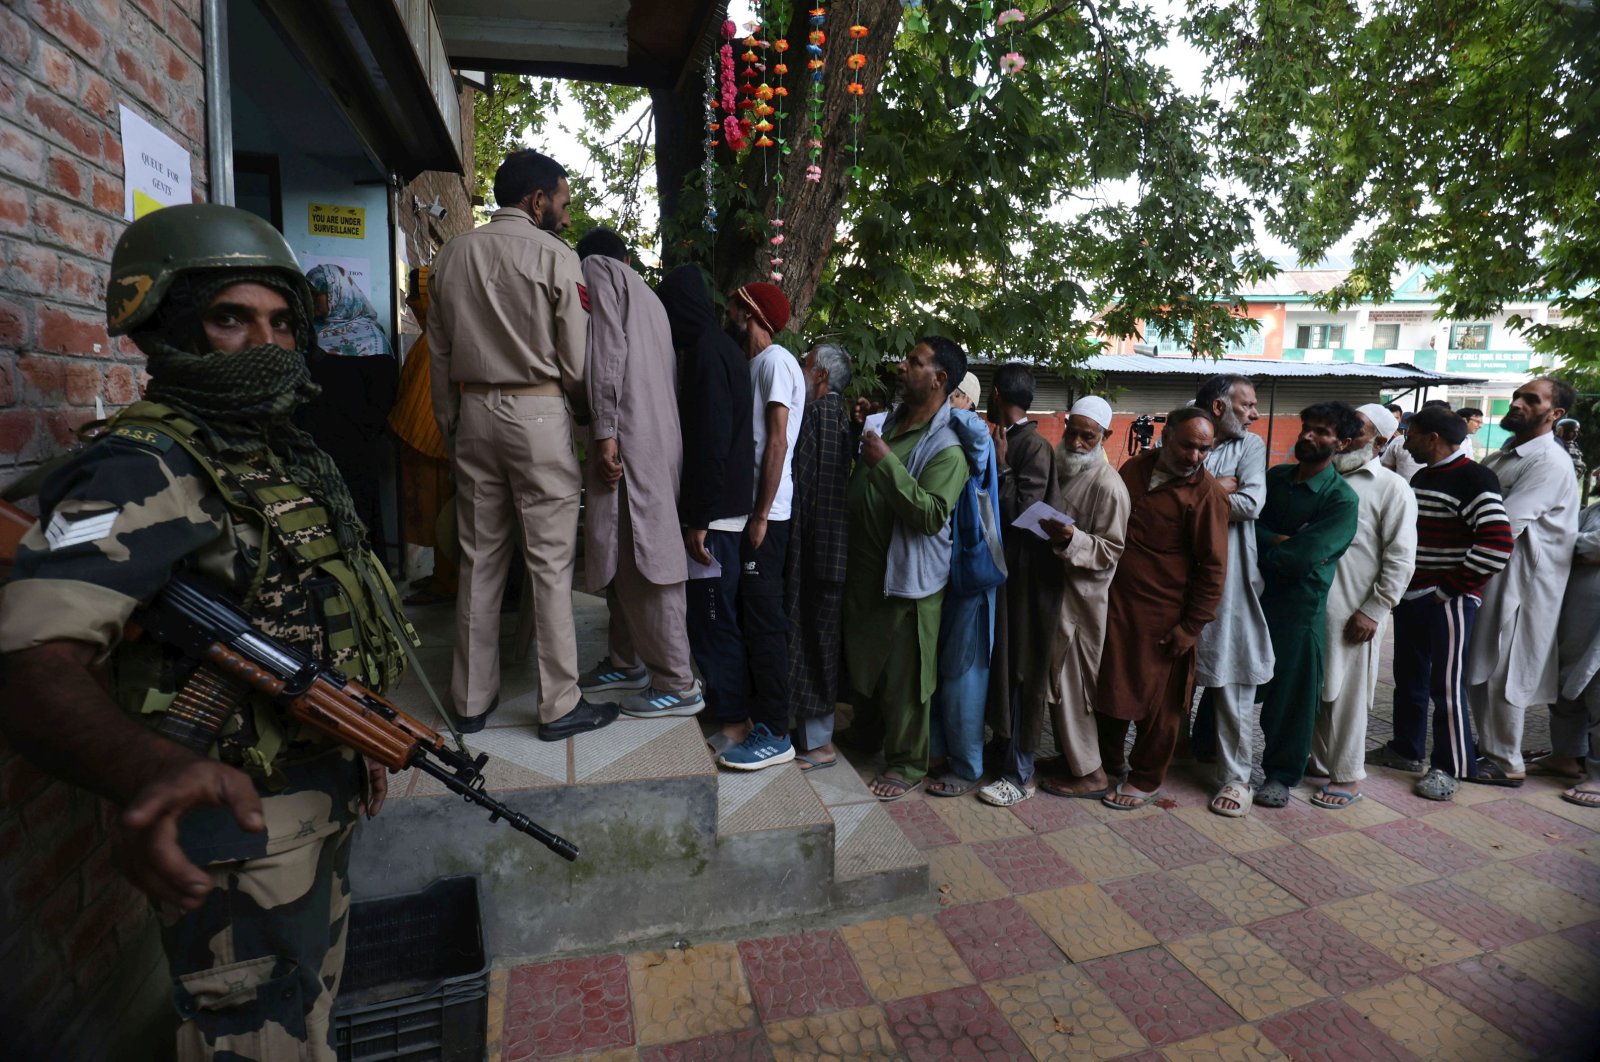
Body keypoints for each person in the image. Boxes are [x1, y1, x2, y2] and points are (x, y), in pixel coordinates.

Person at [0, 204, 412, 1058]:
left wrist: (362, 728)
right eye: (231, 318)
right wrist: (150, 768)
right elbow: (34, 661)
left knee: (307, 1018)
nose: (264, 343)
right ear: (170, 325)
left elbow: (324, 613)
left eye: (280, 321)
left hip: (314, 797)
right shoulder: (145, 467)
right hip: (237, 833)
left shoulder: (279, 459)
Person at [428, 149, 613, 739]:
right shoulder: (557, 257)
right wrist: (587, 419)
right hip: (537, 413)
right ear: (536, 200)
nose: (564, 213)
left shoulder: (452, 254)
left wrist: (450, 420)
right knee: (551, 564)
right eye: (561, 201)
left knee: (480, 559)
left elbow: (436, 353)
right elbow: (578, 362)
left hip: (474, 411)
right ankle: (558, 704)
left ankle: (470, 702)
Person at [572, 229, 699, 718]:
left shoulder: (600, 272)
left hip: (627, 440)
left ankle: (677, 683)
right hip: (657, 439)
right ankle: (627, 662)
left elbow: (607, 353)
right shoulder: (649, 295)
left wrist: (603, 430)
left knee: (646, 558)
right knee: (628, 553)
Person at [840, 337, 969, 801]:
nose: (901, 366)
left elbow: (932, 514)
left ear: (938, 380)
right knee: (867, 664)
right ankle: (866, 733)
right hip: (868, 573)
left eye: (913, 362)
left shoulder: (948, 449)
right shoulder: (892, 423)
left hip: (909, 582)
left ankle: (907, 763)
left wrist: (886, 465)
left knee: (905, 677)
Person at [1367, 405, 1512, 799]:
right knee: (1409, 679)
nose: (1405, 440)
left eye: (1410, 434)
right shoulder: (1426, 476)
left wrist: (1450, 590)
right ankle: (1405, 749)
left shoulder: (1474, 477)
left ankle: (1450, 766)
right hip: (1414, 596)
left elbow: (1498, 542)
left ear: (1433, 438)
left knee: (1446, 686)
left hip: (1446, 600)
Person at [1095, 408, 1229, 809]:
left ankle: (1147, 777)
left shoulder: (1207, 494)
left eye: (1204, 449)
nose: (1194, 456)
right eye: (1187, 445)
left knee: (1161, 705)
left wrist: (1191, 627)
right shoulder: (1136, 468)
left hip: (1166, 616)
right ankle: (1108, 761)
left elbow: (1214, 569)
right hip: (1118, 607)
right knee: (1112, 689)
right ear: (1166, 435)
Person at [657, 266, 756, 749]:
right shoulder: (721, 349)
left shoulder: (704, 354)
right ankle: (726, 707)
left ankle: (735, 718)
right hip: (722, 512)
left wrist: (698, 519)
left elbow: (712, 444)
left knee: (714, 620)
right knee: (714, 618)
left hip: (715, 519)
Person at [708, 283, 806, 770]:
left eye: (734, 306)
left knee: (766, 623)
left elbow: (777, 441)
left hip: (766, 518)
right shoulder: (755, 365)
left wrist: (762, 514)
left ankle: (776, 732)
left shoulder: (774, 363)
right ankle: (749, 721)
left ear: (752, 315)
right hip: (749, 515)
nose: (727, 312)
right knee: (750, 619)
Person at [1466, 377, 1581, 785]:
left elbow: (1504, 523)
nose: (1516, 403)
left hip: (1525, 583)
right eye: (1517, 396)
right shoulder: (1503, 456)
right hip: (1492, 574)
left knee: (1508, 668)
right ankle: (1488, 747)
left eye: (1530, 400)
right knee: (1481, 663)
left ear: (1555, 415)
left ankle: (1507, 761)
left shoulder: (1550, 462)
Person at [1252, 403, 1361, 810]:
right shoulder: (1277, 478)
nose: (1308, 437)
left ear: (1342, 443)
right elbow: (1247, 526)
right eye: (1306, 429)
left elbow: (1303, 558)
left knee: (1290, 701)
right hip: (1255, 600)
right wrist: (1273, 541)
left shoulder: (1340, 499)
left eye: (1321, 432)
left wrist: (1268, 547)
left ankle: (1281, 776)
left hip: (1300, 610)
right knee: (1231, 682)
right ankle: (1211, 752)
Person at [1310, 404, 1416, 809]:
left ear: (1381, 441)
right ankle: (1320, 762)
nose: (1346, 434)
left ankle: (1348, 775)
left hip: (1355, 612)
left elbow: (1402, 558)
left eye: (1359, 429)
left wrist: (1375, 609)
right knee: (1318, 691)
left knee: (1349, 698)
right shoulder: (1321, 476)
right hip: (1313, 609)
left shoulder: (1392, 488)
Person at [1033, 397, 1130, 800]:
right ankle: (1072, 758)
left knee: (1072, 688)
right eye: (1071, 431)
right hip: (1057, 594)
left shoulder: (1109, 486)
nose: (1075, 441)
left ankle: (1091, 773)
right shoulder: (1063, 465)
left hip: (1082, 603)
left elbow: (1111, 550)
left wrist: (1073, 539)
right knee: (1056, 685)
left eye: (1086, 436)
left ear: (1105, 436)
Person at [1186, 375, 1274, 818]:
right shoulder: (1183, 432)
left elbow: (1252, 503)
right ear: (1218, 408)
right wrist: (1217, 487)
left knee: (1233, 677)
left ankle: (1237, 778)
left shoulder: (1250, 448)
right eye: (1247, 405)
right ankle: (1161, 759)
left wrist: (1195, 492)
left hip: (1232, 581)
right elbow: (1162, 495)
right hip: (1178, 579)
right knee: (1171, 675)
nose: (1254, 414)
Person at [983, 362, 1063, 805]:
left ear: (996, 393)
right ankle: (1002, 748)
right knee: (1002, 667)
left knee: (1022, 671)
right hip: (1004, 577)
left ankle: (1020, 773)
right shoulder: (1006, 437)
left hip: (1030, 584)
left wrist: (1002, 467)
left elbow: (1025, 516)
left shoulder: (1032, 446)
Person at [927, 398, 1002, 798]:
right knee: (941, 675)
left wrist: (949, 406)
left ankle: (968, 766)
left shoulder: (974, 437)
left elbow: (976, 435)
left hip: (973, 582)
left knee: (963, 679)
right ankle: (939, 753)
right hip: (948, 579)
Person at [786, 343, 854, 769]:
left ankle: (820, 744)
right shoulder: (836, 414)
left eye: (806, 364)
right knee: (815, 641)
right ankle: (814, 737)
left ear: (823, 376)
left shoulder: (823, 414)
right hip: (825, 550)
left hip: (819, 550)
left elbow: (812, 490)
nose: (800, 369)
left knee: (814, 642)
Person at [301, 263, 398, 558]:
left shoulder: (371, 338)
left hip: (354, 446)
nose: (311, 303)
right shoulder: (305, 335)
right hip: (310, 444)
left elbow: (383, 400)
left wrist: (361, 431)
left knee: (357, 512)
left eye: (316, 295)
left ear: (336, 294)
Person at [388, 267, 458, 606]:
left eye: (417, 295)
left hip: (438, 446)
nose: (412, 302)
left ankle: (447, 584)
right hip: (426, 444)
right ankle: (441, 578)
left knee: (443, 519)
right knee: (432, 517)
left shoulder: (443, 338)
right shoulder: (433, 334)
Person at [1528, 499, 1600, 807]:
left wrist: (1574, 547)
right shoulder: (1593, 511)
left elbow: (1583, 545)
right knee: (1566, 690)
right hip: (1575, 617)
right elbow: (1562, 540)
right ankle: (1566, 757)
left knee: (1597, 693)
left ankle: (1597, 776)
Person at [1557, 417, 1587, 485]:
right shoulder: (1555, 444)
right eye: (1572, 432)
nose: (1575, 434)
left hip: (1572, 481)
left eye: (1577, 432)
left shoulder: (1574, 445)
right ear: (1563, 431)